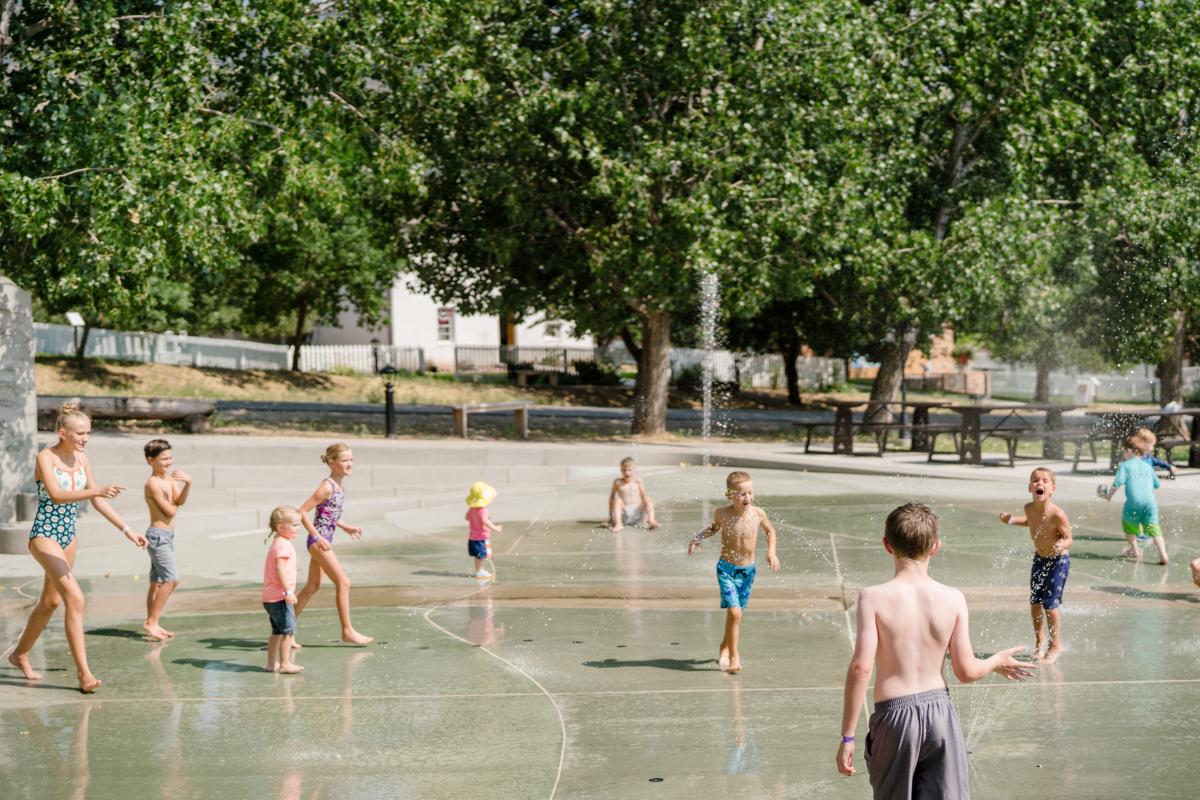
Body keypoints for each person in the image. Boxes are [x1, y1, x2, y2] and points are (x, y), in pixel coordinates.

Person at [837, 503, 1036, 795]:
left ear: (886, 545)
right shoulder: (953, 598)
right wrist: (994, 661)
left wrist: (847, 737)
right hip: (940, 713)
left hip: (894, 718)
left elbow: (861, 668)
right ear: (936, 547)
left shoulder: (873, 598)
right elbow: (966, 671)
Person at [5, 403, 147, 693]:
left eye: (88, 433)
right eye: (80, 433)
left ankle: (19, 654)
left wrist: (127, 530)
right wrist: (97, 489)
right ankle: (84, 674)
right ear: (63, 432)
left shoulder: (82, 458)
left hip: (69, 537)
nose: (85, 438)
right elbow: (56, 496)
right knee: (76, 599)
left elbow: (97, 500)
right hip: (44, 534)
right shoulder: (45, 457)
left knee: (51, 602)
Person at [687, 470, 780, 674]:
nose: (747, 497)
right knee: (735, 613)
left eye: (749, 493)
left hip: (748, 570)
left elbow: (770, 531)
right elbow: (713, 528)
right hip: (726, 569)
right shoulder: (722, 513)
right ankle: (734, 657)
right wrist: (698, 538)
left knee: (735, 616)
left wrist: (771, 552)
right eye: (741, 493)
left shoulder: (758, 514)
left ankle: (725, 645)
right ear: (729, 495)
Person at [294, 443, 373, 645]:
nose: (350, 464)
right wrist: (317, 537)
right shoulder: (327, 486)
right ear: (331, 462)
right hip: (318, 541)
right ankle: (347, 631)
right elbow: (301, 511)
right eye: (345, 460)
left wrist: (345, 526)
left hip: (324, 540)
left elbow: (329, 514)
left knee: (312, 587)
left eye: (351, 460)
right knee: (344, 582)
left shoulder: (339, 486)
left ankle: (285, 629)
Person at [999, 467, 1073, 663]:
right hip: (1040, 559)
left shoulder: (1057, 514)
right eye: (1035, 480)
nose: (1039, 483)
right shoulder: (1028, 508)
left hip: (1059, 561)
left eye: (1044, 481)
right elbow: (1031, 522)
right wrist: (1012, 520)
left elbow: (1069, 539)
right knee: (1034, 603)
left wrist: (1061, 544)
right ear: (1029, 487)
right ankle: (1040, 640)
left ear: (1052, 489)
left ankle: (1055, 644)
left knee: (1050, 605)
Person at [141, 438, 192, 641]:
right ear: (150, 460)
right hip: (157, 536)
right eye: (163, 459)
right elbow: (170, 511)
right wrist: (173, 498)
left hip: (168, 536)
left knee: (156, 582)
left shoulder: (170, 481)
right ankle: (151, 622)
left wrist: (187, 483)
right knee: (172, 579)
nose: (168, 462)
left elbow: (179, 501)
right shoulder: (152, 484)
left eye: (170, 458)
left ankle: (153, 622)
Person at [1101, 436, 1168, 565]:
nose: (1124, 455)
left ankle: (1135, 549)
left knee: (1129, 524)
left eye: (1124, 452)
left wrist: (1109, 496)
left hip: (1133, 503)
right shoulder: (1147, 467)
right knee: (1153, 527)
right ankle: (1163, 554)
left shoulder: (1124, 465)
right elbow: (1157, 484)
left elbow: (1117, 482)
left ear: (1131, 451)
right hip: (1150, 503)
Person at [263, 506, 303, 673]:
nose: (298, 528)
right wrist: (288, 591)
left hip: (270, 597)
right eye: (294, 525)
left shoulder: (278, 542)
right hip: (280, 597)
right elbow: (280, 570)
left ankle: (271, 664)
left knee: (277, 632)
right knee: (287, 631)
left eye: (299, 524)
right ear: (280, 527)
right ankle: (285, 664)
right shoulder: (284, 546)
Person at [608, 457, 660, 531]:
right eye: (624, 470)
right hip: (624, 515)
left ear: (634, 470)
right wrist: (610, 516)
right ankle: (618, 524)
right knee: (617, 499)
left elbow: (644, 496)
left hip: (637, 513)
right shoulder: (618, 482)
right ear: (621, 470)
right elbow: (611, 499)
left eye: (629, 470)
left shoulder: (638, 481)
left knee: (647, 499)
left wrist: (647, 515)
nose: (627, 472)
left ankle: (651, 521)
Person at [466, 481, 502, 579]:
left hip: (472, 537)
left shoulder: (471, 509)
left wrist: (474, 520)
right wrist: (495, 528)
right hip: (481, 537)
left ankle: (479, 570)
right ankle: (480, 571)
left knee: (477, 556)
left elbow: (467, 517)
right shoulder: (483, 510)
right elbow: (485, 521)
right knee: (481, 556)